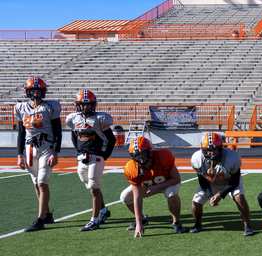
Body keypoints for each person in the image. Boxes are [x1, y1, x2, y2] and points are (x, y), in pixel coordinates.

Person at [15, 77, 62, 232]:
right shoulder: (21, 107)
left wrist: (56, 151)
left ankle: (40, 218)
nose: (36, 93)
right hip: (29, 149)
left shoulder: (50, 107)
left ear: (43, 91)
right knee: (36, 182)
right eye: (33, 90)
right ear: (28, 92)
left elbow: (57, 131)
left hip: (46, 148)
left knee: (42, 182)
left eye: (38, 90)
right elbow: (21, 133)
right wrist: (19, 154)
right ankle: (47, 214)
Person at [65, 89, 115, 231]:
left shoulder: (100, 119)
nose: (86, 107)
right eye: (83, 104)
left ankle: (94, 220)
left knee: (93, 188)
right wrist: (78, 152)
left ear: (94, 105)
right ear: (78, 105)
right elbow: (75, 136)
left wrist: (105, 155)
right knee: (92, 187)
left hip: (96, 157)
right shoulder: (74, 119)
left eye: (89, 104)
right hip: (82, 158)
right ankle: (103, 210)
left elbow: (111, 139)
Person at [189, 132, 254, 236]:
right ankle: (197, 224)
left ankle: (247, 225)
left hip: (229, 181)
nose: (211, 153)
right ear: (202, 149)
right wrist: (211, 195)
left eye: (214, 149)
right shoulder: (196, 159)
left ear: (221, 148)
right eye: (208, 150)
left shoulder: (232, 157)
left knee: (239, 198)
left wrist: (220, 195)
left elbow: (235, 181)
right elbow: (202, 181)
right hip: (210, 182)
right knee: (196, 202)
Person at [121, 136, 186, 237]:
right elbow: (137, 196)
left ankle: (176, 222)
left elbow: (176, 179)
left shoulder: (163, 156)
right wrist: (138, 223)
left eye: (143, 154)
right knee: (125, 197)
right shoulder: (131, 168)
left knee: (171, 194)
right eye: (137, 155)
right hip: (148, 186)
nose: (141, 158)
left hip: (167, 183)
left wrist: (157, 187)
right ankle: (143, 219)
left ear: (150, 151)